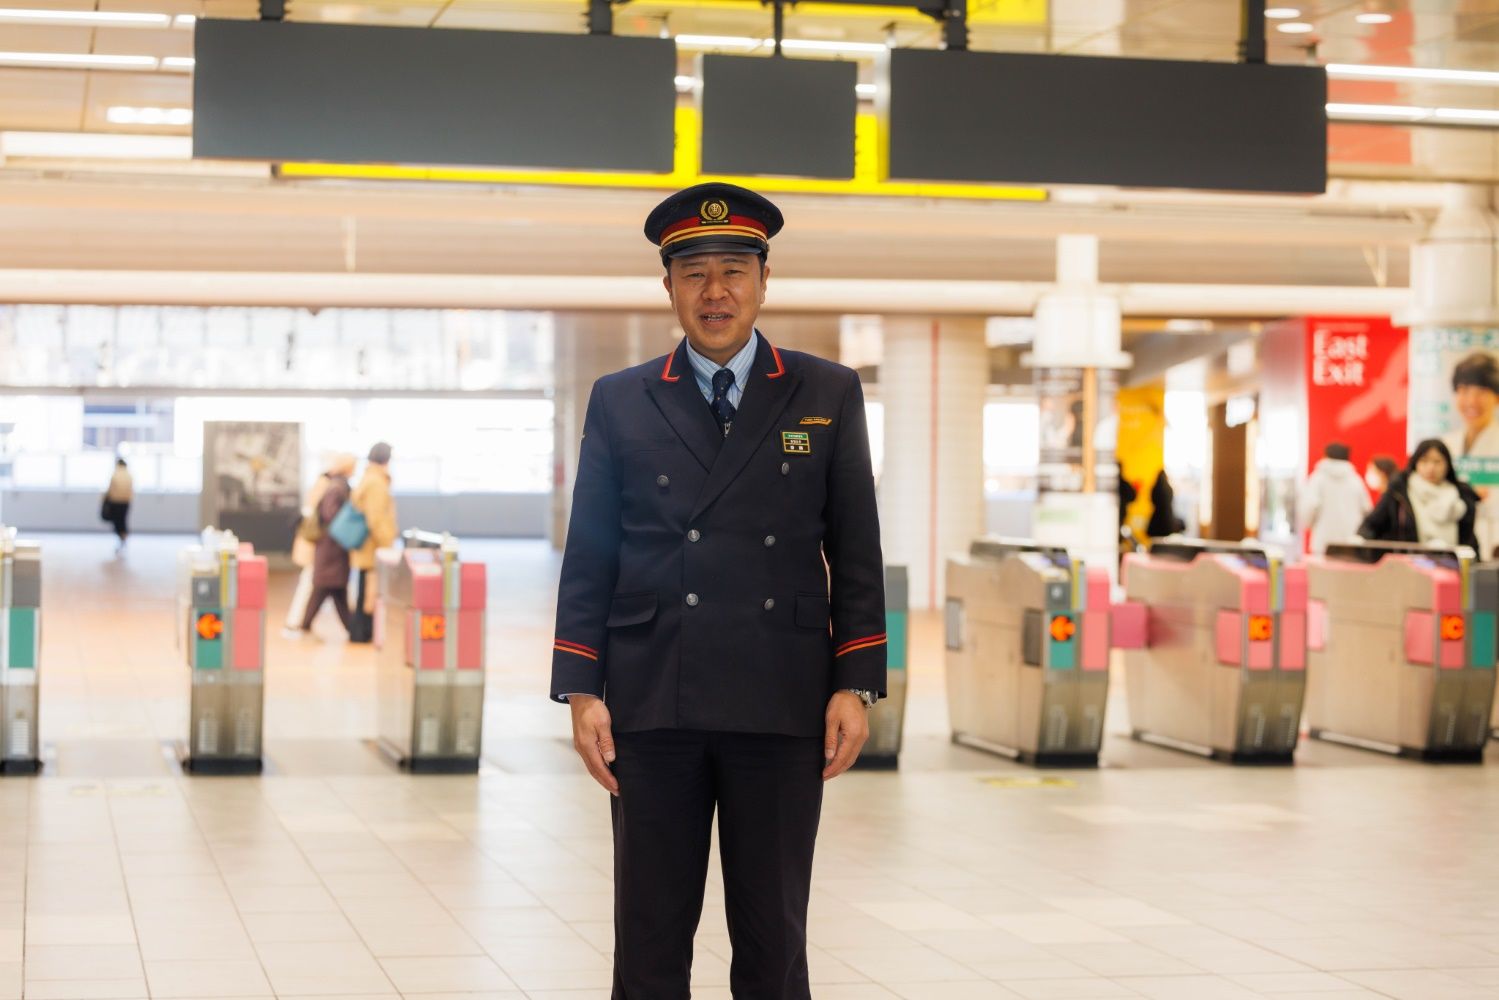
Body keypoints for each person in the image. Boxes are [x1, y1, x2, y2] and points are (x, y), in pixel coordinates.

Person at [550, 182, 886, 998]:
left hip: (780, 698)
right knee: (650, 933)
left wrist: (856, 683)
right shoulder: (621, 398)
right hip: (652, 695)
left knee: (774, 936)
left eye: (733, 270)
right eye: (693, 273)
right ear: (666, 288)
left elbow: (856, 545)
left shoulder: (824, 391)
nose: (715, 292)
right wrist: (579, 690)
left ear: (764, 282)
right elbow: (589, 552)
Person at [1358, 438, 1479, 550]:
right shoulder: (1399, 490)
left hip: (1452, 566)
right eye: (1424, 461)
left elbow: (1468, 537)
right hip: (1408, 567)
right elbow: (1372, 525)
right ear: (1415, 463)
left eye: (1437, 462)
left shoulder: (1461, 494)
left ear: (1448, 465)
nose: (1431, 467)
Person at [284, 455, 353, 638]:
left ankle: (297, 623)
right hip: (318, 542)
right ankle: (295, 623)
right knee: (310, 583)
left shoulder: (326, 483)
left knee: (312, 583)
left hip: (317, 542)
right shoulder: (331, 486)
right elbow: (326, 515)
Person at [1443, 352, 1499, 555]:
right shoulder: (1446, 444)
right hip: (1454, 543)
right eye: (1464, 390)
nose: (1471, 401)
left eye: (1481, 391)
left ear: (1496, 397)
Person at [348, 441, 397, 643]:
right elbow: (375, 518)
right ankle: (361, 634)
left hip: (366, 546)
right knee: (368, 593)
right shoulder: (376, 482)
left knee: (364, 590)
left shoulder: (367, 478)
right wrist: (387, 543)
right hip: (373, 547)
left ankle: (361, 633)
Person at [1299, 442, 1372, 555]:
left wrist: (1308, 524)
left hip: (1323, 543)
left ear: (1326, 456)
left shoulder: (1317, 479)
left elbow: (1309, 507)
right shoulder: (1356, 480)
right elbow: (1367, 510)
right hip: (1350, 543)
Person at [101, 458, 133, 552]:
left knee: (117, 521)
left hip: (115, 501)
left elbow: (110, 489)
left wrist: (105, 499)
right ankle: (123, 537)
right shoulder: (129, 475)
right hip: (126, 502)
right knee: (123, 520)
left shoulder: (115, 474)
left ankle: (121, 537)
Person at [1145, 469, 1185, 538]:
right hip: (1167, 518)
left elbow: (1152, 501)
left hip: (1157, 518)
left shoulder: (1155, 488)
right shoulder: (1169, 488)